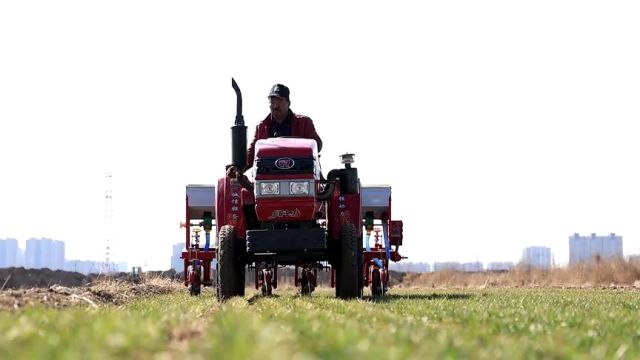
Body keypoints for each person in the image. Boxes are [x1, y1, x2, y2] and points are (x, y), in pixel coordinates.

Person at [244, 83, 323, 172]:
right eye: (272, 102)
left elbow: (318, 145)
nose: (275, 106)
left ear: (288, 103)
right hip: (269, 177)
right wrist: (238, 167)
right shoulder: (262, 127)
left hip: (301, 174)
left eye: (279, 101)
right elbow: (251, 155)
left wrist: (301, 147)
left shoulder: (305, 122)